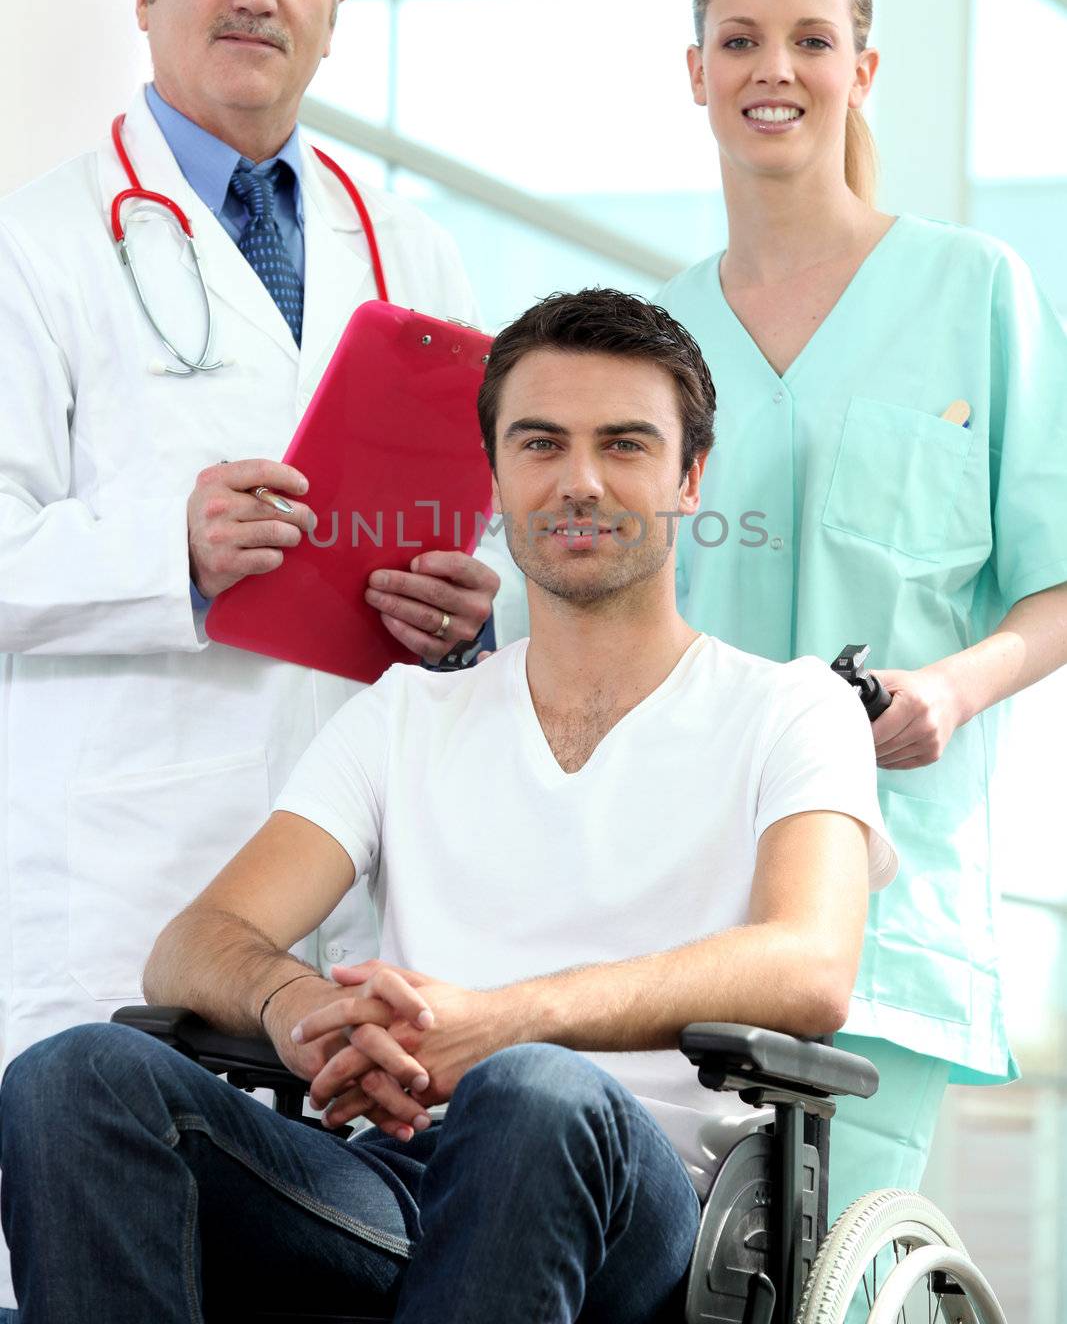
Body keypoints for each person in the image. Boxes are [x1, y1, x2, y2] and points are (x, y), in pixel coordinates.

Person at [0, 288, 896, 1323]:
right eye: (540, 443)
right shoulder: (406, 714)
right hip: (395, 1186)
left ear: (688, 477)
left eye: (624, 445)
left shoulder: (790, 710)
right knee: (76, 1077)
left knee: (529, 1092)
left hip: (647, 1211)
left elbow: (809, 963)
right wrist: (299, 1011)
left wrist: (505, 1022)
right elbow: (198, 941)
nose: (580, 481)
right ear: (496, 476)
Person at [0, 0, 501, 1311]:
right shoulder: (35, 244)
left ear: (335, 14)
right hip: (114, 878)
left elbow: (486, 537)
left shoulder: (410, 246)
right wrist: (173, 549)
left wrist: (470, 619)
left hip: (349, 902)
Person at [655, 0, 1067, 1232]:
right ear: (695, 71)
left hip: (890, 921)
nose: (773, 67)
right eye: (739, 39)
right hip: (676, 899)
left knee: (814, 1266)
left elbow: (1050, 581)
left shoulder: (971, 289)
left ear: (860, 71)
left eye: (809, 39)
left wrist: (946, 691)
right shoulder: (654, 339)